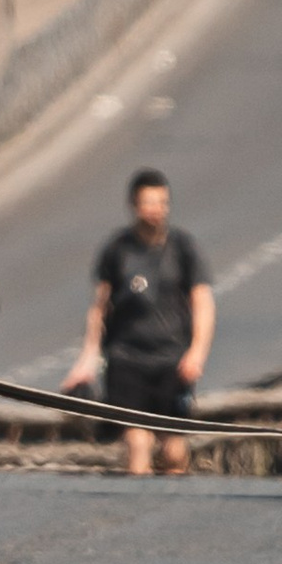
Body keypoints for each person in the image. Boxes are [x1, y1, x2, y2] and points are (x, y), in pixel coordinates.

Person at [64, 171, 215, 477]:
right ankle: (138, 511)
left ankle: (170, 512)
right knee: (137, 442)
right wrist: (87, 360)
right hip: (127, 358)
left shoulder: (184, 248)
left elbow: (203, 302)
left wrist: (197, 353)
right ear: (134, 205)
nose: (156, 208)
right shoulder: (117, 249)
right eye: (148, 202)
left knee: (174, 448)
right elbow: (99, 308)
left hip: (172, 358)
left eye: (162, 202)